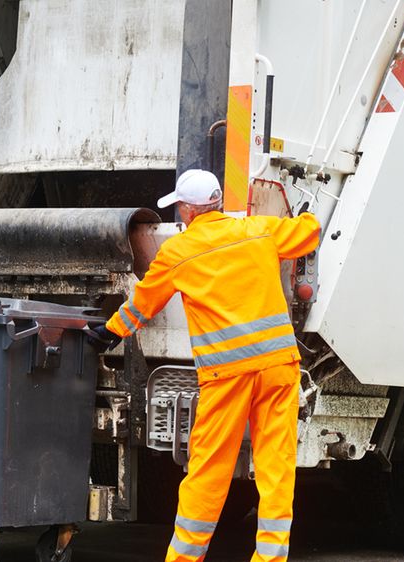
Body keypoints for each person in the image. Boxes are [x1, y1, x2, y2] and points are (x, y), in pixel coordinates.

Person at [89, 169, 320, 561]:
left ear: (187, 210)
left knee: (209, 471)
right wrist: (308, 214)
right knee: (276, 468)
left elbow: (143, 304)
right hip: (279, 369)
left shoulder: (178, 253)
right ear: (215, 204)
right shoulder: (259, 230)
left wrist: (108, 332)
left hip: (226, 377)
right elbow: (307, 234)